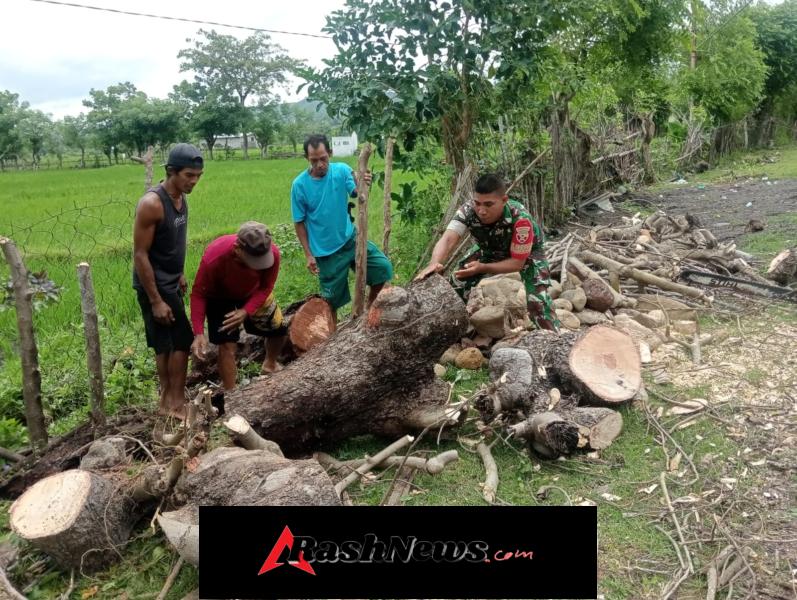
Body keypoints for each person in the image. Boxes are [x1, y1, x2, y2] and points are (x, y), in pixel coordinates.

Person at [416, 173, 559, 331]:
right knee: (457, 283)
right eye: (478, 203)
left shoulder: (520, 219)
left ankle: (554, 339)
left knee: (538, 302)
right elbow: (448, 238)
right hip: (489, 249)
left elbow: (517, 263)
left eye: (488, 205)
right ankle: (450, 330)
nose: (481, 211)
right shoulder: (468, 210)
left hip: (527, 255)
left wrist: (483, 267)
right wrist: (434, 262)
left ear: (504, 200)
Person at [133, 143, 203, 418]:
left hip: (170, 280)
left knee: (168, 343)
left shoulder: (181, 197)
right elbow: (140, 255)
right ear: (171, 172)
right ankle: (173, 403)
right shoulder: (152, 204)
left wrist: (180, 272)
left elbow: (172, 243)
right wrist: (156, 300)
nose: (194, 181)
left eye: (198, 175)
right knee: (180, 341)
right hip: (154, 284)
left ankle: (168, 402)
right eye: (189, 175)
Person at [291, 134, 393, 317]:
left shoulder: (341, 170)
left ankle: (368, 313)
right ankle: (333, 340)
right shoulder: (299, 185)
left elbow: (355, 192)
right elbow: (299, 223)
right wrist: (308, 254)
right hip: (325, 253)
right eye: (314, 160)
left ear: (329, 153)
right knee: (331, 304)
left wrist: (362, 181)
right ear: (307, 158)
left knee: (382, 269)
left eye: (323, 158)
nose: (320, 164)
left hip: (350, 240)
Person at [189, 222, 287, 390]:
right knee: (227, 343)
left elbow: (266, 286)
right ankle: (230, 392)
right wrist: (198, 332)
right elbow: (199, 293)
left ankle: (270, 364)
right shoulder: (215, 257)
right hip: (219, 296)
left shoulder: (273, 254)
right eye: (253, 260)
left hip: (253, 292)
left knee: (278, 327)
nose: (259, 264)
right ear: (237, 248)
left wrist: (245, 311)